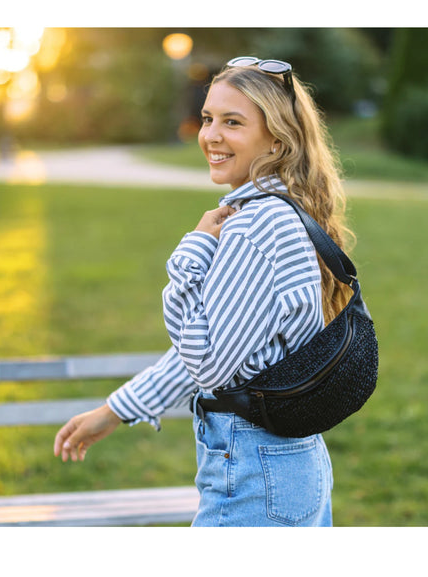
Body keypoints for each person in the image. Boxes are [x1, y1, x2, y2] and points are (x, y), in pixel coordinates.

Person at [53, 56, 354, 527]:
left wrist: (190, 255)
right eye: (209, 118)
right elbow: (220, 345)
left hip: (255, 474)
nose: (211, 135)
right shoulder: (284, 210)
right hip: (288, 463)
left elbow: (209, 363)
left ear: (276, 138)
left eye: (233, 122)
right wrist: (117, 410)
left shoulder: (258, 225)